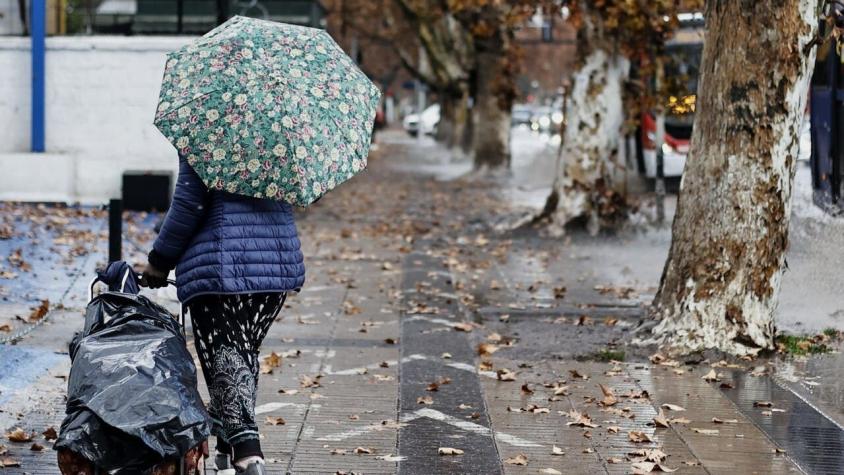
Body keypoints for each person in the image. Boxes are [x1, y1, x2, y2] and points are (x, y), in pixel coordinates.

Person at [141, 156, 305, 475]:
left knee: (226, 358)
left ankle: (248, 453)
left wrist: (159, 261)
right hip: (277, 265)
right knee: (240, 357)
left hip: (220, 263)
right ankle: (225, 447)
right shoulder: (280, 136)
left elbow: (190, 204)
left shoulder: (207, 136)